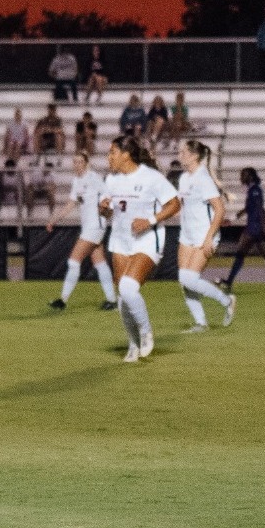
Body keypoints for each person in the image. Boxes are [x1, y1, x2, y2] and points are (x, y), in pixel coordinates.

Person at [99, 134, 181, 362]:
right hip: (120, 240)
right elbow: (107, 213)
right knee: (123, 297)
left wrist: (150, 220)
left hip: (146, 239)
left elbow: (175, 204)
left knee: (127, 288)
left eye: (112, 152)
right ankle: (133, 345)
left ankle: (146, 332)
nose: (108, 157)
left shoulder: (151, 177)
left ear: (126, 155)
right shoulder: (111, 180)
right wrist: (103, 208)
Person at [174, 140, 236, 332]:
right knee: (184, 280)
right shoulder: (184, 178)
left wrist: (209, 238)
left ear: (194, 156)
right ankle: (201, 323)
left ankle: (227, 301)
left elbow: (220, 210)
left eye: (183, 152)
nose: (179, 155)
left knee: (190, 279)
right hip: (187, 235)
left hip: (204, 235)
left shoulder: (203, 179)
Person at [47, 152, 118, 312]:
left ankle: (62, 301)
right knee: (100, 263)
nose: (77, 165)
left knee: (73, 261)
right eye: (75, 162)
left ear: (86, 163)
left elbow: (108, 196)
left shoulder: (94, 178)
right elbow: (71, 203)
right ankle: (112, 301)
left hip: (95, 226)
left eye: (80, 162)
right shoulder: (77, 181)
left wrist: (107, 213)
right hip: (89, 227)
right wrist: (55, 219)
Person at [223, 167, 265, 291]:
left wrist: (264, 225)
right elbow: (247, 208)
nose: (241, 177)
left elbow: (259, 208)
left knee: (240, 253)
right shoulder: (252, 190)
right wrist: (232, 218)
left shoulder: (255, 190)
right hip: (256, 227)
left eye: (243, 175)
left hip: (254, 227)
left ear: (250, 177)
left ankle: (229, 282)